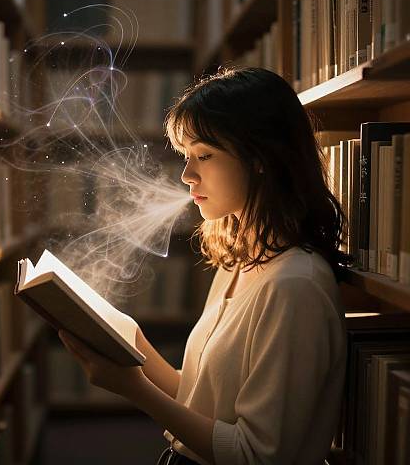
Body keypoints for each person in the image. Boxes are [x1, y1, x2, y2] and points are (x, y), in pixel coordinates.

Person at [58, 67, 349, 464]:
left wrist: (134, 389)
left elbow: (256, 456)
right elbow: (203, 404)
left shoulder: (296, 287)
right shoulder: (239, 261)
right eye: (185, 156)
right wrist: (134, 344)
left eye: (204, 155)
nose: (186, 175)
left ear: (261, 156)